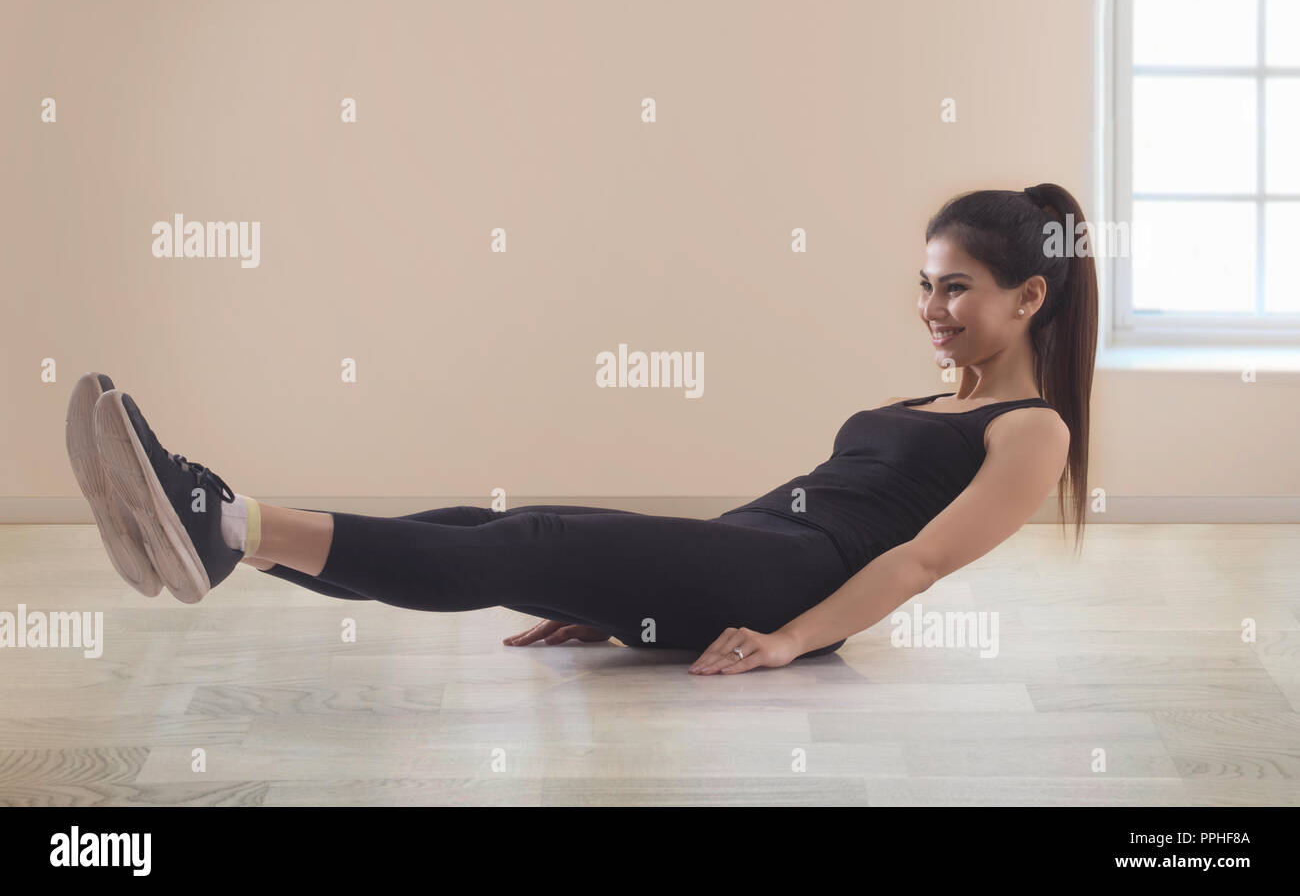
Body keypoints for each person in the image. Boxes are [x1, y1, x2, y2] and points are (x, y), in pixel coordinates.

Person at [65, 184, 1096, 676]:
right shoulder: (924, 404)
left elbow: (916, 562)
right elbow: (795, 506)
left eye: (954, 288)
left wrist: (792, 637)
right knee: (496, 526)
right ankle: (218, 535)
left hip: (786, 583)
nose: (929, 308)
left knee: (526, 543)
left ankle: (214, 515)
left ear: (1027, 296)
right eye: (922, 286)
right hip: (749, 552)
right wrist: (628, 599)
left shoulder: (1030, 429)